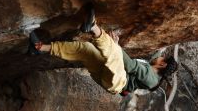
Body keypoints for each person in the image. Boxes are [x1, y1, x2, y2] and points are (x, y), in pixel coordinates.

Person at [28, 5, 178, 96]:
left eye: (162, 58)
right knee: (85, 49)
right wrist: (162, 46)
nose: (159, 57)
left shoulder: (151, 78)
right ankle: (41, 48)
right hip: (107, 76)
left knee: (116, 53)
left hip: (117, 82)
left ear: (163, 64)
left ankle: (92, 26)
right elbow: (157, 55)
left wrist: (116, 46)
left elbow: (131, 66)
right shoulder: (151, 69)